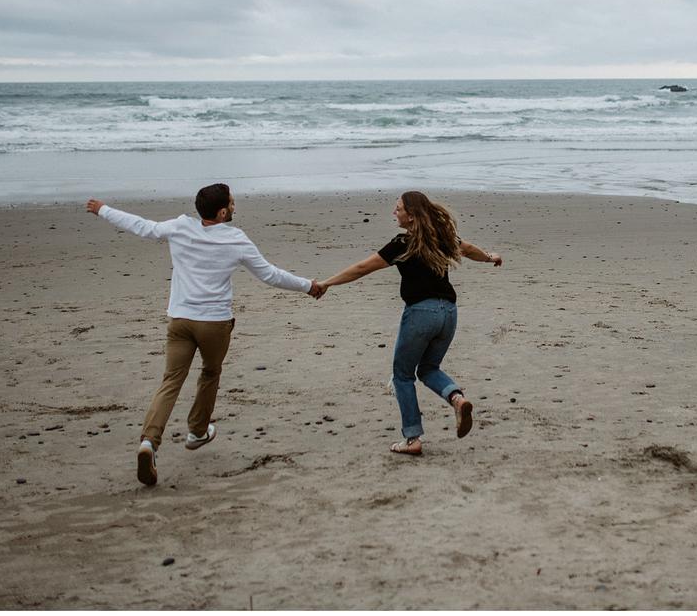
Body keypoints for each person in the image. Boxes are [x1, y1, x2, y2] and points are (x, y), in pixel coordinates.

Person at [86, 184, 322, 486]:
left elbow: (142, 227)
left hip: (181, 320)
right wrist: (308, 286)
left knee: (171, 381)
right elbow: (269, 275)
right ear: (223, 212)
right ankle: (197, 431)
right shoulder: (236, 239)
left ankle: (149, 442)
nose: (235, 206)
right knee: (210, 372)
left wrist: (103, 209)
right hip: (214, 324)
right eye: (232, 203)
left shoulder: (181, 227)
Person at [318, 190, 502, 456]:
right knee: (428, 369)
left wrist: (326, 283)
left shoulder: (402, 244)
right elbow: (470, 249)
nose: (395, 213)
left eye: (398, 209)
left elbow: (361, 268)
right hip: (449, 313)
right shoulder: (443, 238)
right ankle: (457, 399)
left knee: (402, 375)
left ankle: (412, 438)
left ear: (412, 215)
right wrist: (490, 257)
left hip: (420, 315)